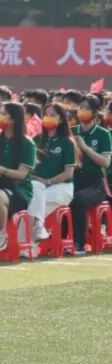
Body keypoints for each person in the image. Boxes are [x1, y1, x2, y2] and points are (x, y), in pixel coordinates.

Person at [0, 102, 36, 253]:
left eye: (4, 114)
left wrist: (1, 170)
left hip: (18, 188)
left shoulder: (27, 144)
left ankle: (1, 233)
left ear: (14, 119)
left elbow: (22, 174)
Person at [68, 94, 111, 255]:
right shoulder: (72, 131)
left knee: (78, 199)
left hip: (95, 184)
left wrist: (85, 148)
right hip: (74, 179)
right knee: (63, 197)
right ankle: (60, 239)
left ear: (96, 111)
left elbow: (105, 163)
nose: (82, 111)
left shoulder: (103, 134)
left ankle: (79, 243)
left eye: (87, 108)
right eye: (81, 107)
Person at [29, 102, 75, 246]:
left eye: (53, 115)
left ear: (61, 119)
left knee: (33, 205)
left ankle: (28, 246)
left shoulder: (67, 142)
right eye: (46, 115)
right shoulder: (36, 140)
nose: (48, 117)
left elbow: (68, 173)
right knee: (34, 197)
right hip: (38, 186)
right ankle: (38, 230)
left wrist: (48, 181)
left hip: (62, 187)